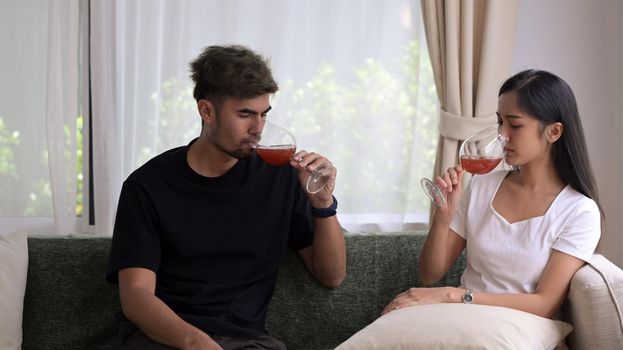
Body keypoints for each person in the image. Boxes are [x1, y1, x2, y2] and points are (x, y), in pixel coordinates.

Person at [106, 45, 346, 350]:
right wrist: (195, 342)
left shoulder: (281, 177)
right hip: (164, 339)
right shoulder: (148, 186)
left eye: (263, 115)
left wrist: (322, 203)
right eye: (245, 114)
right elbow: (136, 296)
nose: (258, 128)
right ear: (207, 111)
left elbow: (332, 276)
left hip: (247, 342)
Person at [382, 69, 602, 319]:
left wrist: (454, 296)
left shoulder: (579, 211)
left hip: (519, 326)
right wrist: (444, 216)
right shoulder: (481, 185)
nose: (502, 135)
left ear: (554, 132)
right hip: (461, 316)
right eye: (500, 122)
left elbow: (545, 304)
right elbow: (430, 274)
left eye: (515, 125)